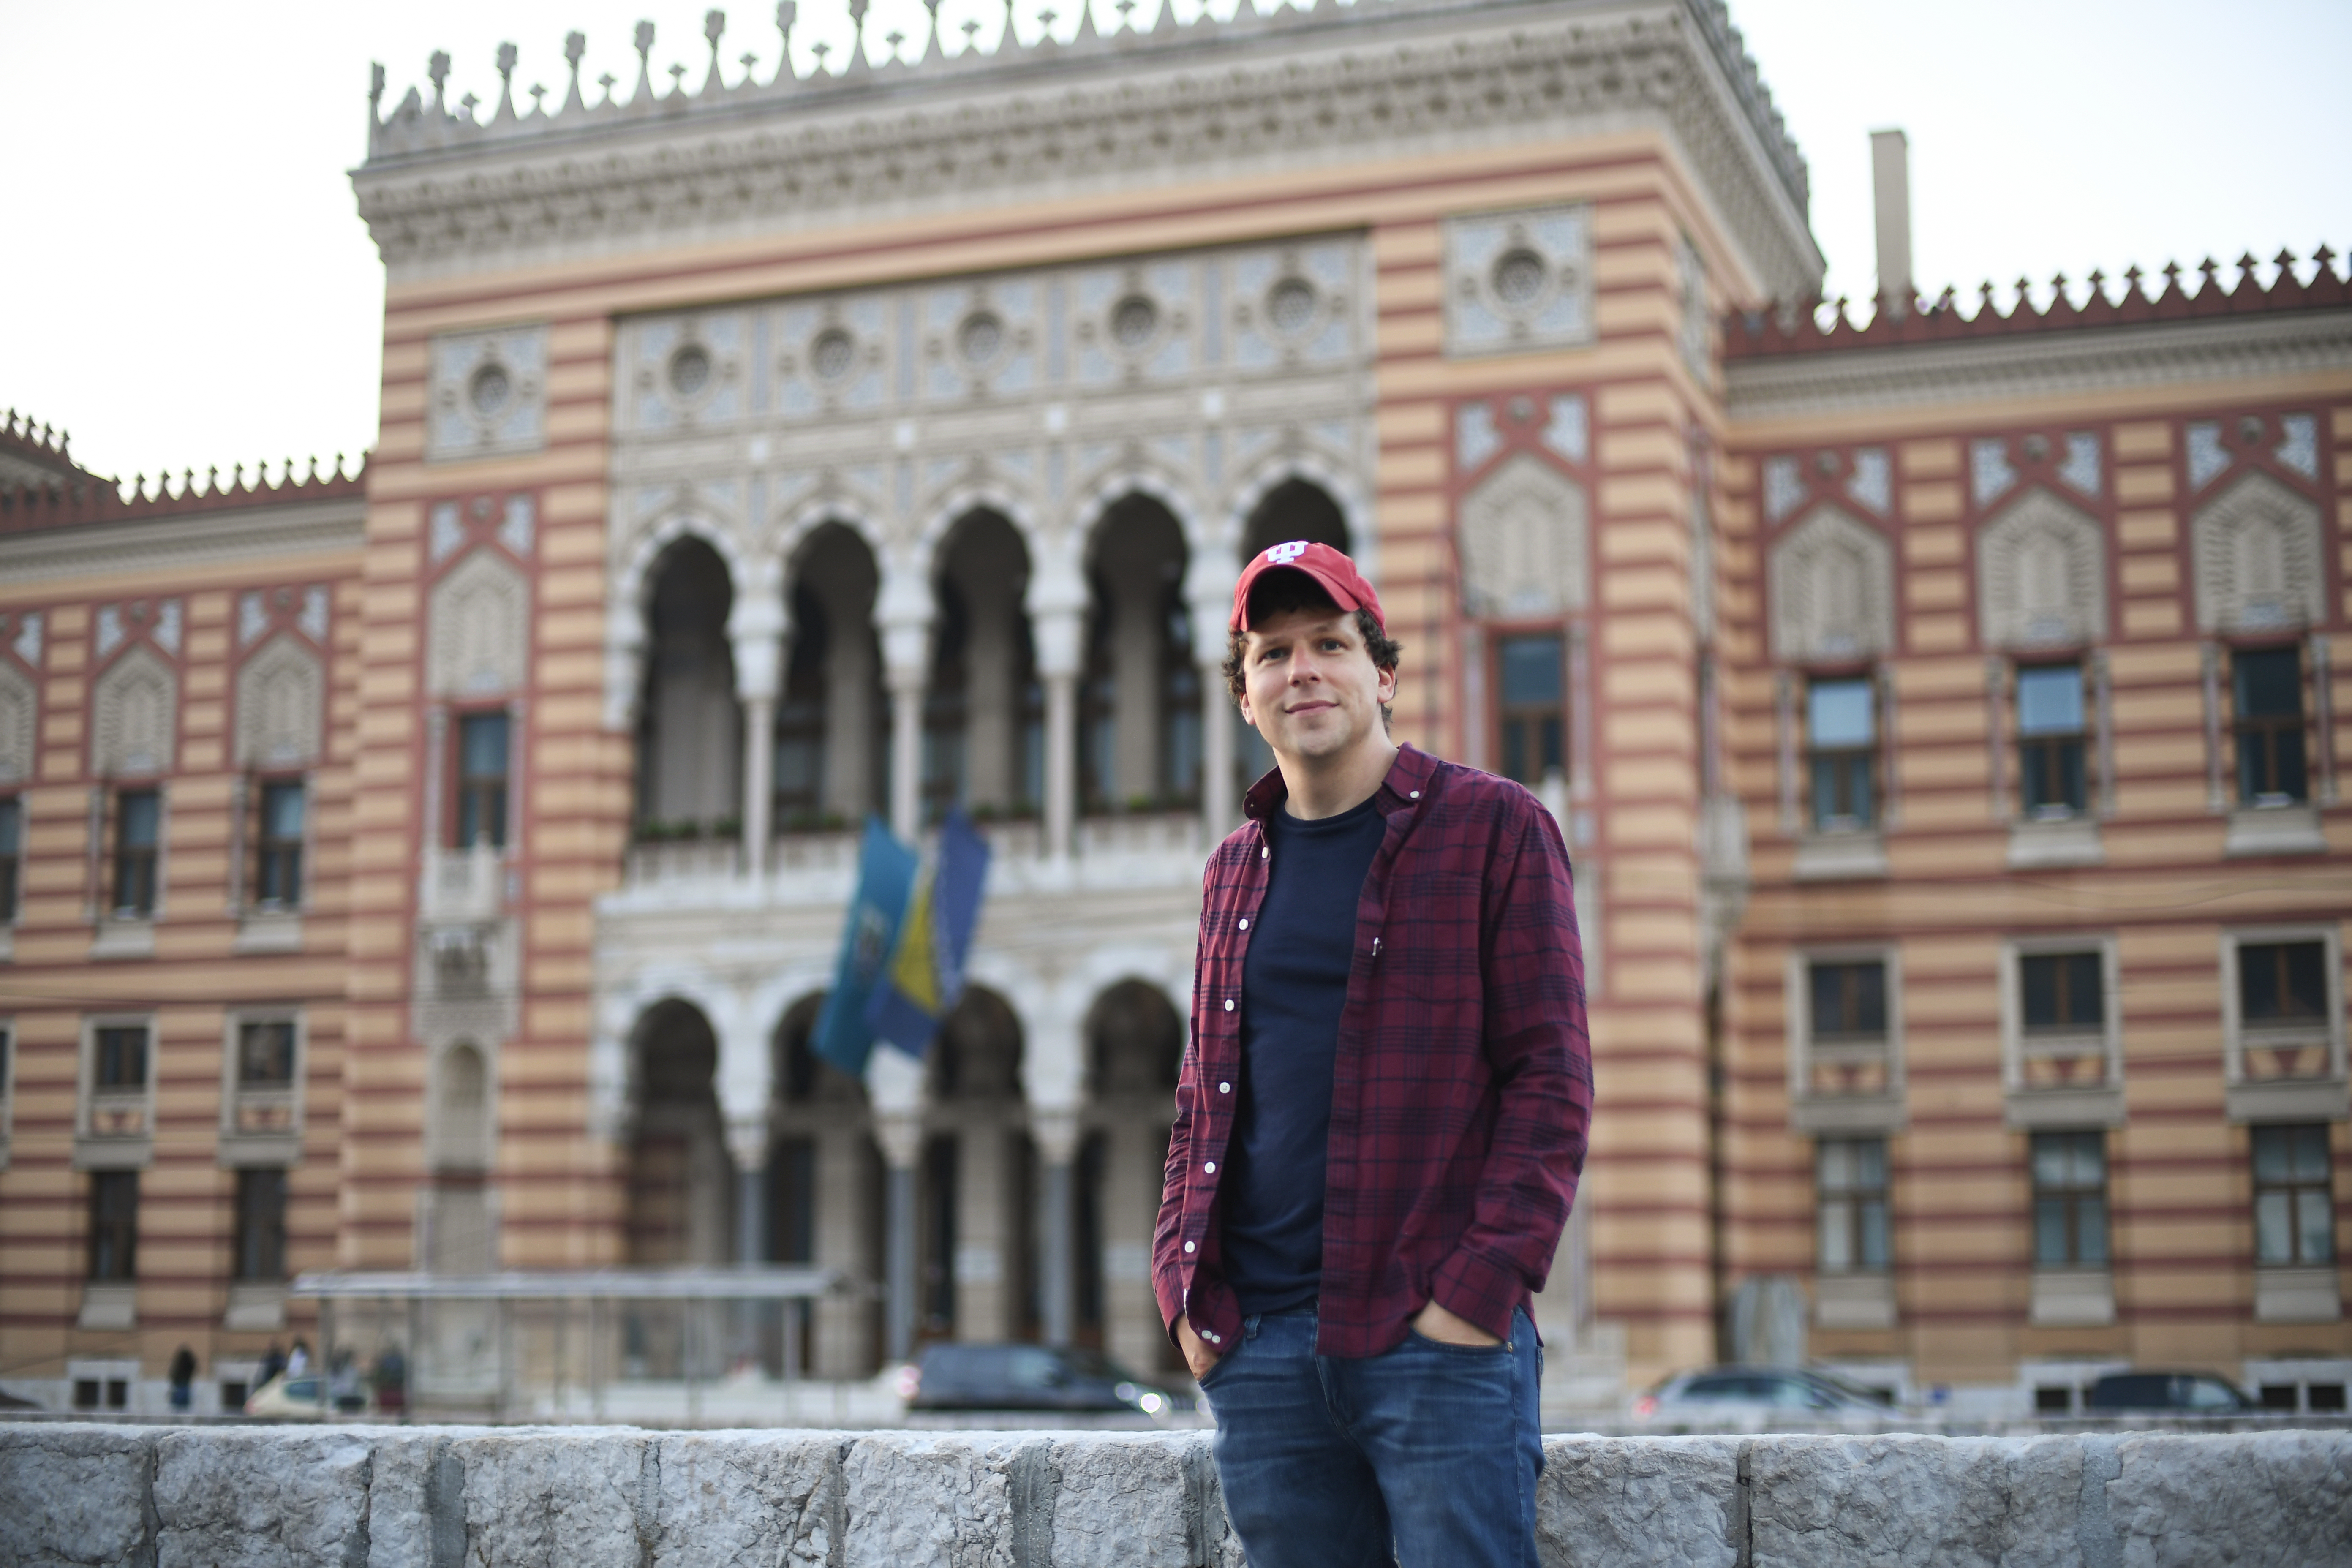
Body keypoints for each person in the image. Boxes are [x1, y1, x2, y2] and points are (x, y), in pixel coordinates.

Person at [1152, 541, 1590, 1568]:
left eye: (1329, 644)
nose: (1301, 670)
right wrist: (1184, 1291)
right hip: (1263, 1350)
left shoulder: (1496, 829)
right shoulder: (1232, 870)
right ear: (1245, 697)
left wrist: (1476, 1293)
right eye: (1272, 654)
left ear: (1382, 673)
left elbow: (1551, 1082)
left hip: (1433, 1343)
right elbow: (1202, 1102)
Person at [167, 1346, 196, 1413]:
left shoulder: (179, 1363)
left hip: (180, 1383)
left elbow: (173, 1372)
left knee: (179, 1398)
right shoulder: (189, 1363)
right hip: (185, 1382)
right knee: (184, 1398)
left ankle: (178, 1410)